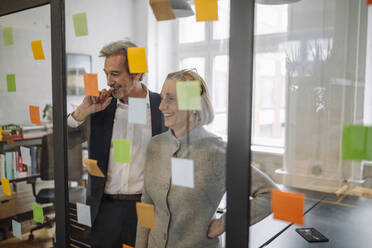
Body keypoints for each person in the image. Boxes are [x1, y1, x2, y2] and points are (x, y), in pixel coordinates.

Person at [135, 69, 276, 248]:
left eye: (170, 99)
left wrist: (224, 223)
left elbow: (270, 195)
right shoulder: (155, 145)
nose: (162, 106)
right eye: (163, 98)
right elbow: (147, 206)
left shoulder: (218, 152)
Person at [67, 40, 167, 248]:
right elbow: (65, 142)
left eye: (114, 74)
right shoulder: (100, 106)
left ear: (137, 73)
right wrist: (82, 111)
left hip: (145, 207)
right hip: (104, 209)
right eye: (106, 74)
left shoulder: (161, 106)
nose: (108, 81)